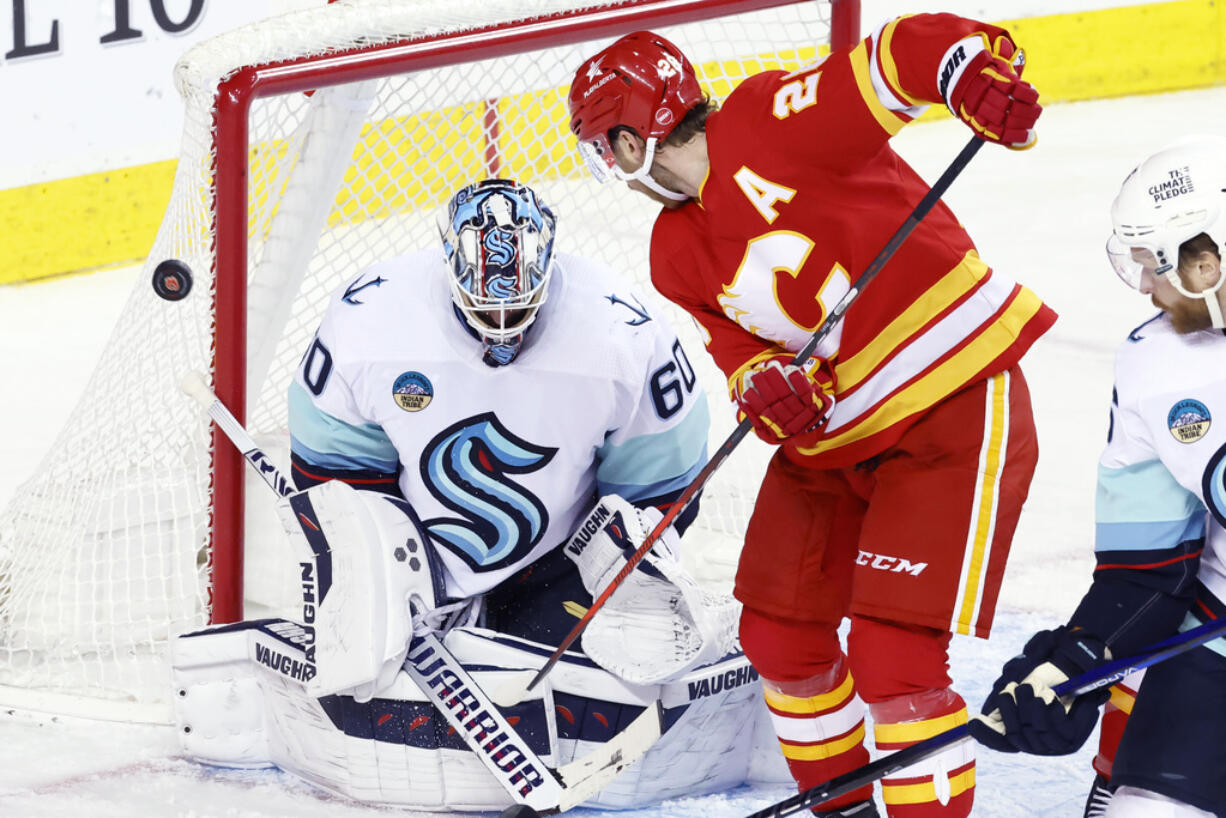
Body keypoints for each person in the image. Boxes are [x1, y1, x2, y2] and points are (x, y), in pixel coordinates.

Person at [567, 15, 1056, 818]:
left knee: (895, 659)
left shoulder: (765, 118)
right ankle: (843, 810)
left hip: (951, 405)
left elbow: (899, 58)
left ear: (629, 141)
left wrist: (967, 69)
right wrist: (763, 385)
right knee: (780, 637)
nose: (613, 171)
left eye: (605, 148)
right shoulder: (671, 249)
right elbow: (738, 348)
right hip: (835, 441)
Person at [169, 179, 770, 813]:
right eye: (484, 313)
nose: (502, 333)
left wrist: (617, 559)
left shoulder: (622, 335)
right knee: (370, 663)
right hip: (417, 555)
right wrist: (384, 568)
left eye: (521, 310)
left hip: (560, 560)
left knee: (590, 690)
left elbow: (662, 490)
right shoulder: (372, 321)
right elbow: (335, 472)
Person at [968, 137, 1226, 818]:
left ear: (1206, 263)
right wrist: (1079, 659)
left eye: (1153, 265)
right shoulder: (1156, 363)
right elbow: (1149, 565)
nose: (1144, 287)